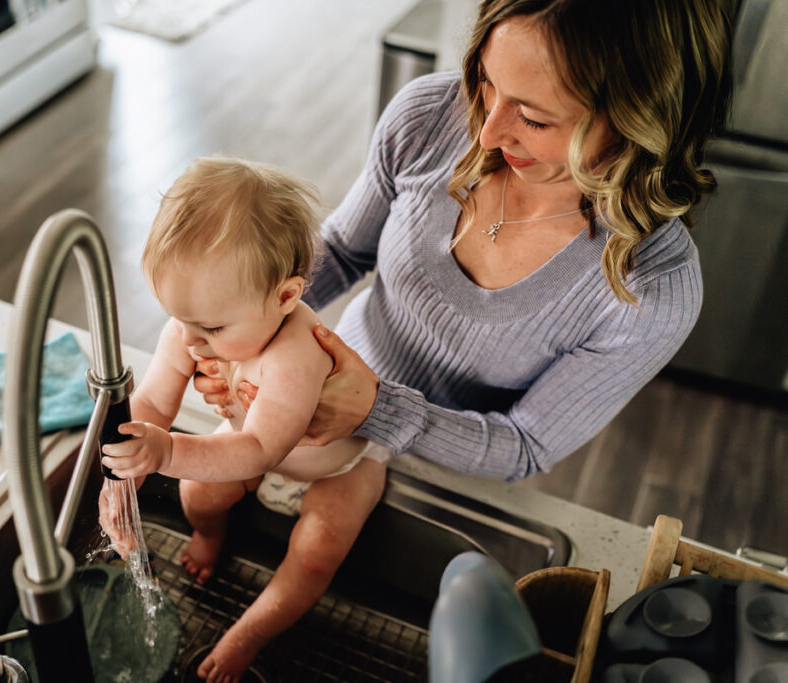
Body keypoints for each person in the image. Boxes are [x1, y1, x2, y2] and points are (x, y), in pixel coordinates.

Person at [193, 0, 734, 485]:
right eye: (486, 80)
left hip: (441, 475)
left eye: (534, 118)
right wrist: (240, 324)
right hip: (302, 399)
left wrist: (377, 411)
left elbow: (526, 444)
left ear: (637, 120)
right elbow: (342, 249)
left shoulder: (654, 290)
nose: (487, 133)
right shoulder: (428, 117)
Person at [98, 156, 390, 682]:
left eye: (208, 326)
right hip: (242, 443)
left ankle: (249, 633)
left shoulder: (297, 353)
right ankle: (211, 536)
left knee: (317, 551)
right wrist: (124, 473)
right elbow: (155, 404)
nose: (189, 340)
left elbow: (260, 448)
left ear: (285, 296)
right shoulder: (195, 328)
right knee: (196, 494)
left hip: (338, 468)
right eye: (179, 318)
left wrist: (166, 452)